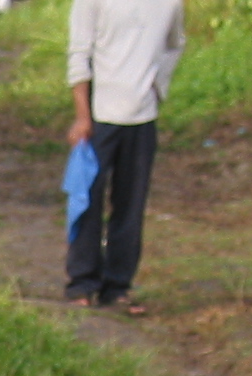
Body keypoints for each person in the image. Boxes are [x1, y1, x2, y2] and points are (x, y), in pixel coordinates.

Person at [64, 0, 185, 313]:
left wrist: (157, 86)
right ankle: (82, 281)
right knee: (87, 198)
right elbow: (80, 54)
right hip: (100, 114)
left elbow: (175, 44)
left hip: (142, 116)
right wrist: (82, 115)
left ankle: (118, 284)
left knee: (131, 202)